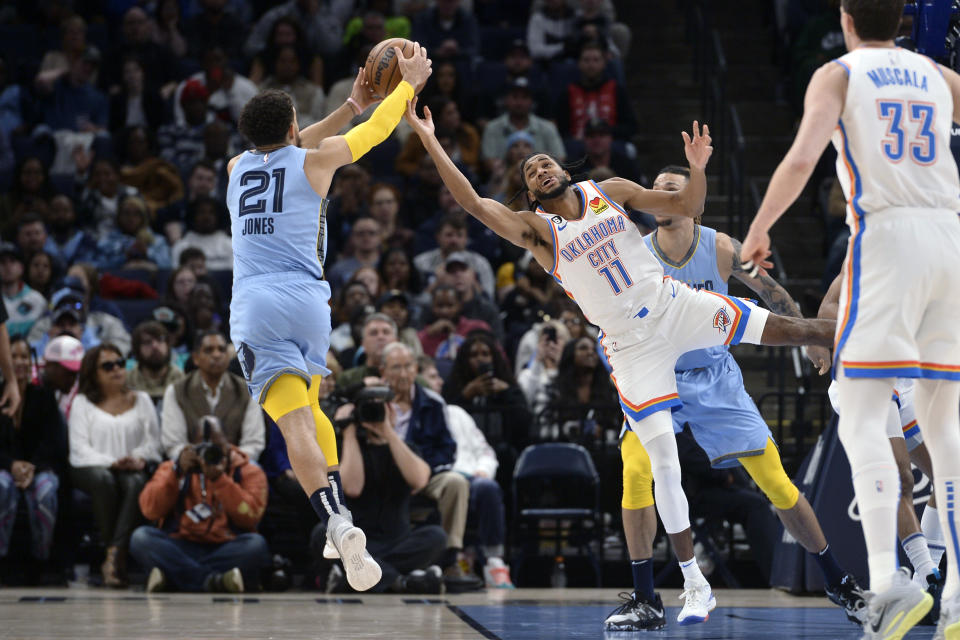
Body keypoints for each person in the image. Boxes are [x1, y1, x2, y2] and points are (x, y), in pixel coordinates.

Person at [406, 101, 835, 626]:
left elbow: (691, 202)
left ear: (565, 170)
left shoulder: (610, 191)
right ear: (531, 190)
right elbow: (472, 203)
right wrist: (429, 139)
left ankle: (872, 340)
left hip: (673, 306)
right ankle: (693, 585)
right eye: (529, 170)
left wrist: (697, 167)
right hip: (631, 346)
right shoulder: (537, 232)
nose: (540, 168)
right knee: (662, 468)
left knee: (784, 329)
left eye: (546, 162)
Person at [739, 2, 960, 637]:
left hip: (889, 238)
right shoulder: (935, 76)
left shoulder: (839, 74)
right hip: (947, 238)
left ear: (843, 19)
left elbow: (804, 159)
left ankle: (894, 585)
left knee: (857, 408)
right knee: (944, 428)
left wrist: (758, 231)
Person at [606, 166, 867, 632]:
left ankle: (837, 580)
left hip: (714, 375)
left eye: (670, 189)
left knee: (776, 481)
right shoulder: (634, 257)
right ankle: (646, 597)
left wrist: (807, 336)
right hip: (657, 375)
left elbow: (771, 292)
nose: (660, 196)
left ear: (688, 200)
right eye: (655, 190)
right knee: (635, 473)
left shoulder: (721, 247)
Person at [226, 47, 432, 592]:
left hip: (257, 305)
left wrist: (348, 105)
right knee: (314, 405)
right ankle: (333, 519)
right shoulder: (314, 160)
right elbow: (378, 134)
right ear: (294, 127)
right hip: (309, 302)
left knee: (295, 422)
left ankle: (338, 521)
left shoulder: (235, 167)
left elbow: (288, 142)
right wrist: (404, 88)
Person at [816, 273, 945, 618]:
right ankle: (930, 577)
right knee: (899, 475)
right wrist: (820, 337)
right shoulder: (873, 246)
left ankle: (923, 581)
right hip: (866, 373)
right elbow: (830, 302)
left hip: (908, 379)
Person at [317, 381, 446, 593]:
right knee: (322, 533)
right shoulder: (347, 447)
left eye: (381, 406)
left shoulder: (406, 449)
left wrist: (388, 431)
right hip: (357, 541)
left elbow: (420, 480)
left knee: (436, 536)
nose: (375, 412)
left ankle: (355, 577)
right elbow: (352, 488)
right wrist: (348, 432)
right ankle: (403, 581)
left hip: (398, 540)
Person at [130, 418, 270, 593]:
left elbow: (250, 517)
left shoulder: (249, 471)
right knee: (141, 538)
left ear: (229, 444)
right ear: (191, 448)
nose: (209, 454)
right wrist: (176, 473)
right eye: (202, 449)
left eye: (216, 447)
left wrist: (221, 481)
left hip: (226, 545)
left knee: (256, 545)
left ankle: (174, 577)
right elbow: (150, 510)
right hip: (180, 544)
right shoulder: (173, 467)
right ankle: (216, 581)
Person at [68, 343, 162, 587]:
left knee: (136, 482)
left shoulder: (142, 400)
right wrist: (113, 462)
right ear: (93, 373)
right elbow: (79, 450)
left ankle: (112, 556)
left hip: (131, 467)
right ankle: (116, 556)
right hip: (89, 468)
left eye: (120, 363)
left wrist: (138, 458)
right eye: (107, 366)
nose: (117, 369)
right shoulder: (81, 403)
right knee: (104, 480)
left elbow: (154, 443)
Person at [418, 356, 513, 589]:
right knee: (454, 483)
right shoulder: (420, 415)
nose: (439, 381)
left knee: (488, 488)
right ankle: (453, 558)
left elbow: (485, 451)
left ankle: (494, 560)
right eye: (432, 377)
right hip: (440, 478)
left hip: (472, 477)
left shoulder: (457, 413)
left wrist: (483, 470)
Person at [0, 336, 66, 566]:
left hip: (39, 467)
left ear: (32, 362)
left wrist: (31, 467)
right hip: (4, 467)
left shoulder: (44, 397)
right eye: (13, 356)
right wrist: (12, 465)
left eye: (24, 356)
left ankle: (42, 559)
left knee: (46, 491)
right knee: (1, 486)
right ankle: (3, 559)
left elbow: (53, 442)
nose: (19, 361)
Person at [161, 331, 265, 463]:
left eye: (222, 350)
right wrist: (196, 459)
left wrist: (231, 460)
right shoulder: (177, 391)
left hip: (235, 463)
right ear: (196, 358)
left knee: (254, 470)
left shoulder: (247, 390)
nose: (216, 355)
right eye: (209, 350)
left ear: (228, 356)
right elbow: (174, 444)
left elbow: (253, 443)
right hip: (192, 464)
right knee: (169, 470)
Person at [127, 321, 184, 406]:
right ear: (137, 350)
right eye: (147, 342)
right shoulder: (128, 382)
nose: (155, 346)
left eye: (160, 340)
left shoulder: (181, 380)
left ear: (168, 345)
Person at [1, 242, 47, 338]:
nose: (8, 266)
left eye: (12, 261)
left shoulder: (37, 300)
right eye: (2, 262)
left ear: (21, 267)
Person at [41, 335, 83, 420]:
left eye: (76, 374)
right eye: (69, 373)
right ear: (49, 365)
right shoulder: (28, 385)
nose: (73, 379)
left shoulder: (78, 390)